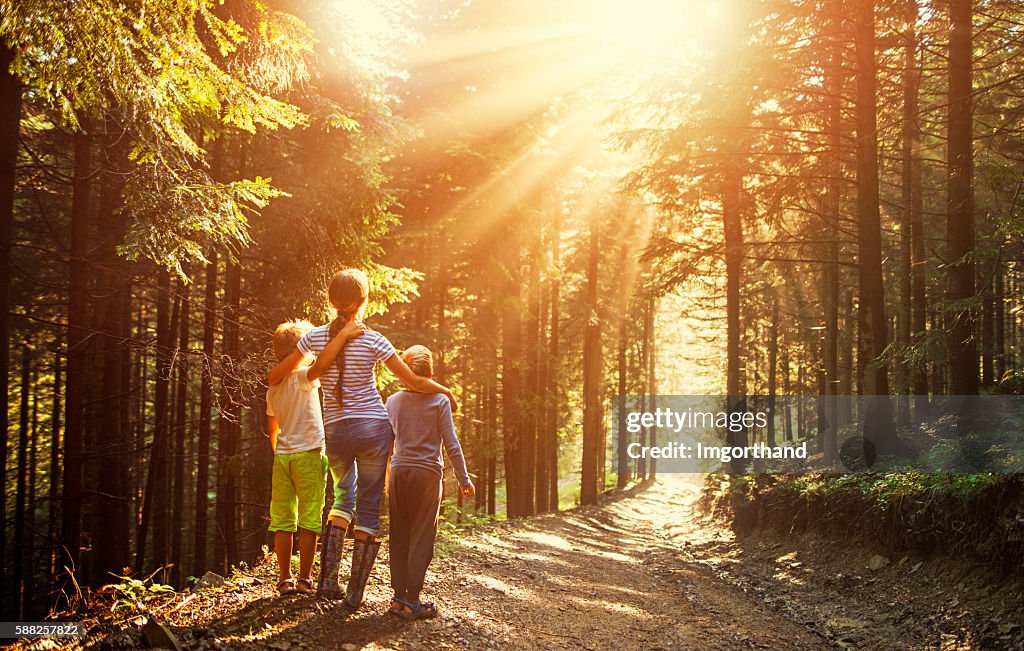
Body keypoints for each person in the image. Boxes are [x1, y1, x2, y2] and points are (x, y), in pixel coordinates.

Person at [267, 268, 457, 609]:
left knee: (342, 499)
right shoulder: (374, 339)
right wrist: (445, 391)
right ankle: (354, 594)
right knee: (368, 510)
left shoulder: (314, 339)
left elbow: (285, 374)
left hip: (336, 430)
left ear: (331, 301)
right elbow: (413, 382)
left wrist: (328, 342)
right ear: (364, 300)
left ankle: (327, 581)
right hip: (372, 427)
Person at [265, 319, 363, 596]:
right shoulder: (303, 377)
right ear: (301, 351)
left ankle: (284, 579)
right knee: (309, 517)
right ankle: (304, 579)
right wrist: (342, 336)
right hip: (308, 453)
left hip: (282, 457)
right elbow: (321, 366)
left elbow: (272, 429)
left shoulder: (273, 389)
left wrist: (281, 451)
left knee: (283, 519)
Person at [385, 345, 474, 619]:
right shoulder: (440, 401)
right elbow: (451, 443)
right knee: (422, 537)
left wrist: (383, 478)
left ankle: (398, 598)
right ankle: (412, 601)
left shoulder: (392, 401)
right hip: (427, 477)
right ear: (431, 373)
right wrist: (464, 479)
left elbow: (386, 444)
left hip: (399, 473)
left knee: (399, 534)